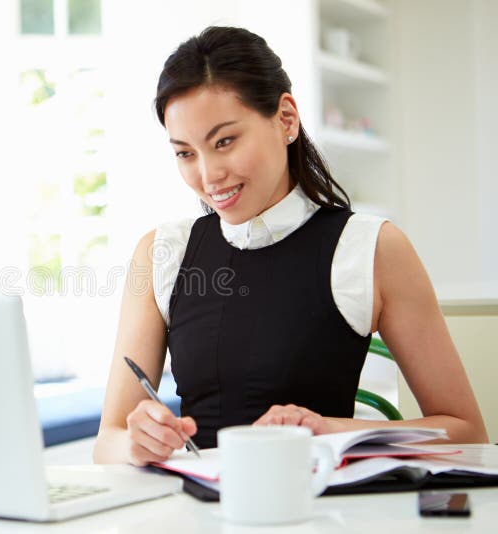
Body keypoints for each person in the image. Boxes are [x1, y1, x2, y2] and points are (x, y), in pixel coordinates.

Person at [93, 26, 488, 467]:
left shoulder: (373, 249)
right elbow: (107, 440)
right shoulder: (161, 252)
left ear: (286, 119)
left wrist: (329, 429)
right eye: (186, 153)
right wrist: (136, 442)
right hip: (197, 513)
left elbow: (467, 433)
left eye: (225, 141)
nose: (208, 175)